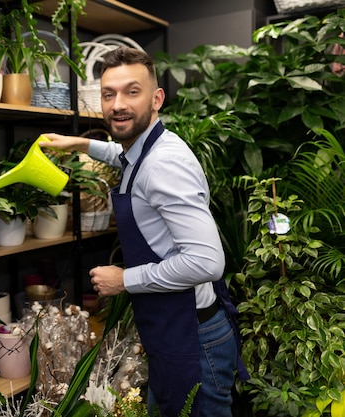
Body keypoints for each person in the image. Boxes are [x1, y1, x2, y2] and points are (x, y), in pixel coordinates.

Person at [39, 47, 248, 417]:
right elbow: (125, 158)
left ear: (156, 99)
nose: (118, 104)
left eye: (131, 92)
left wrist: (125, 279)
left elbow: (207, 262)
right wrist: (81, 144)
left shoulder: (163, 165)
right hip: (178, 329)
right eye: (108, 94)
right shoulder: (144, 149)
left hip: (194, 340)